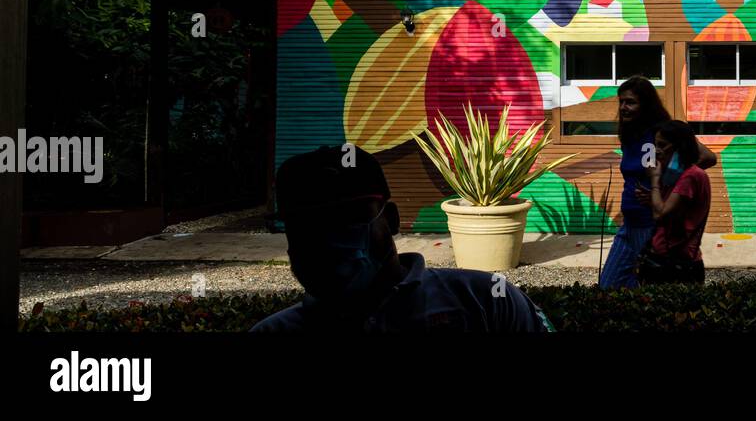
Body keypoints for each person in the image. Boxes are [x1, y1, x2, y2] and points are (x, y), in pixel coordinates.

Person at [252, 145, 551, 332]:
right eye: (307, 225)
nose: (329, 238)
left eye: (351, 217)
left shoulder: (487, 301)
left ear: (391, 219)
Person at [597, 76, 715, 289]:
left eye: (630, 102)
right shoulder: (630, 135)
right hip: (629, 223)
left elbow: (707, 157)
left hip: (651, 225)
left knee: (647, 287)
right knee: (608, 286)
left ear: (646, 104)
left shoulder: (661, 132)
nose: (623, 107)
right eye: (621, 101)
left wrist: (668, 186)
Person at [640, 121, 712, 284]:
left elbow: (660, 214)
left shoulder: (690, 176)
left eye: (662, 145)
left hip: (678, 265)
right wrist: (651, 197)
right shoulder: (677, 175)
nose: (656, 151)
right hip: (667, 260)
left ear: (679, 146)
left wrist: (655, 179)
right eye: (655, 145)